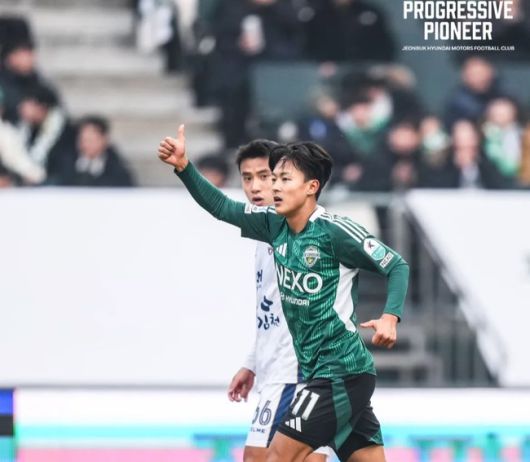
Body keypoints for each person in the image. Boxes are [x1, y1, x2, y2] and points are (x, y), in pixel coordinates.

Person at [158, 125, 409, 462]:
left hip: (339, 371)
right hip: (322, 373)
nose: (274, 186)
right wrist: (184, 167)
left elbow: (396, 265)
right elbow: (221, 207)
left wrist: (390, 317)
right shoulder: (272, 225)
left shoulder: (335, 232)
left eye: (284, 179)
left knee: (275, 457)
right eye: (273, 178)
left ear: (311, 187)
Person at [226, 139, 329, 462]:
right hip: (278, 369)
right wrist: (253, 362)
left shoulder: (304, 232)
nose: (255, 187)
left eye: (265, 176)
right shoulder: (266, 236)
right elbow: (272, 310)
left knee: (258, 457)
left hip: (295, 372)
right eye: (247, 178)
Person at [60, 116, 135, 187]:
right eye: (83, 140)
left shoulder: (116, 167)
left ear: (104, 139)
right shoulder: (67, 162)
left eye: (91, 140)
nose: (86, 144)